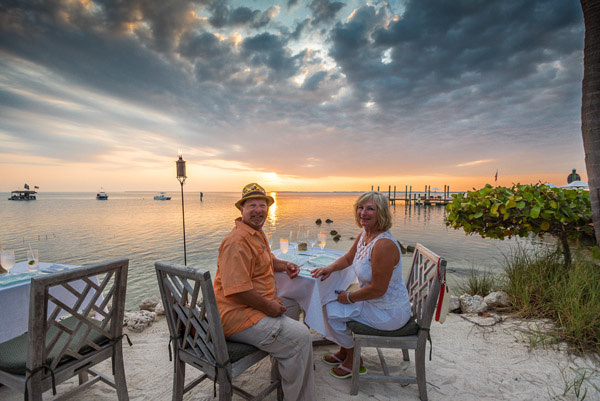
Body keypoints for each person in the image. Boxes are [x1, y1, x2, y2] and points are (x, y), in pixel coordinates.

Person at [213, 183, 316, 401]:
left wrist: (284, 265)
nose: (259, 209)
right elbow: (236, 291)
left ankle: (279, 374)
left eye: (262, 205)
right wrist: (268, 306)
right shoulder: (236, 242)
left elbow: (267, 261)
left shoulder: (255, 234)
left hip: (251, 306)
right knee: (301, 336)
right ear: (241, 210)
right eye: (252, 205)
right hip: (236, 316)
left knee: (291, 304)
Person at [311, 191, 412, 379]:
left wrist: (348, 298)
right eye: (360, 207)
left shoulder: (383, 244)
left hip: (388, 311)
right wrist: (329, 268)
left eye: (370, 209)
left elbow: (378, 289)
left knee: (330, 310)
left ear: (381, 213)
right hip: (374, 301)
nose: (363, 213)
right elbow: (349, 257)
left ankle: (353, 359)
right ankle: (344, 351)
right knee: (329, 303)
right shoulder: (366, 234)